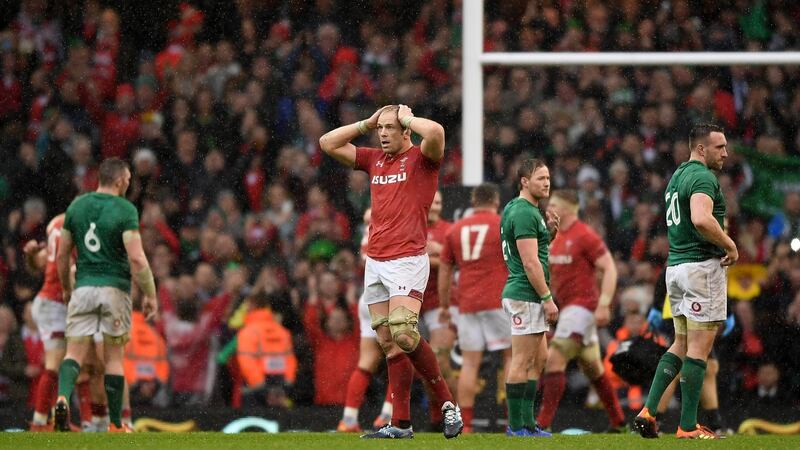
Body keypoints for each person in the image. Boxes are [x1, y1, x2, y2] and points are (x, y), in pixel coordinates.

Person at [319, 104, 462, 439]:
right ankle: (401, 424)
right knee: (388, 342)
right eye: (380, 129)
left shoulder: (423, 158)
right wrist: (365, 123)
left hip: (407, 259)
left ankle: (447, 404)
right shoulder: (374, 160)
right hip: (376, 262)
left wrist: (408, 118)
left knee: (404, 332)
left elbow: (438, 132)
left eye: (389, 128)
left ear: (405, 131)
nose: (382, 134)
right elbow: (327, 143)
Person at [633, 123, 737, 440]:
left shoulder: (677, 176)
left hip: (675, 269)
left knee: (680, 343)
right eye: (720, 147)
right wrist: (730, 244)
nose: (726, 153)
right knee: (699, 350)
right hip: (701, 269)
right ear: (701, 149)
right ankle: (688, 426)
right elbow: (701, 218)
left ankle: (649, 411)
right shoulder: (703, 177)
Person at [54, 158, 158, 432]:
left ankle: (62, 398)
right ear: (121, 180)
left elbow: (63, 254)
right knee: (113, 358)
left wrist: (66, 287)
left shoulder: (77, 206)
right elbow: (136, 258)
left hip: (84, 286)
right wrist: (150, 293)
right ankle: (115, 424)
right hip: (114, 288)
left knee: (73, 353)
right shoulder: (126, 209)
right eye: (128, 179)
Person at [536, 190, 626, 432]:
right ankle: (619, 422)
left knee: (554, 360)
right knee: (592, 367)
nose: (548, 207)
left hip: (582, 308)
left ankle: (542, 424)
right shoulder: (554, 236)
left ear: (564, 209)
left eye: (553, 204)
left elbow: (610, 268)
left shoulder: (584, 235)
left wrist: (605, 303)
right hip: (568, 309)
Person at [438, 182, 511, 433]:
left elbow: (446, 269)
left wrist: (445, 305)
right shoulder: (502, 224)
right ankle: (513, 420)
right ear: (496, 201)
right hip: (498, 300)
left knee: (469, 364)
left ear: (473, 201)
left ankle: (466, 424)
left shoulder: (456, 229)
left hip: (468, 302)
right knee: (509, 357)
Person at [499, 158, 560, 437]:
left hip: (527, 292)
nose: (546, 183)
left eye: (548, 178)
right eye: (540, 179)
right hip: (525, 293)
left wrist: (549, 235)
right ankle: (516, 426)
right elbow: (530, 262)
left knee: (539, 358)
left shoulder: (519, 207)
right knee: (522, 360)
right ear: (524, 182)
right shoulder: (524, 212)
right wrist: (547, 298)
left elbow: (534, 251)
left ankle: (528, 422)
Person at [338, 208, 395, 432]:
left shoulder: (367, 235)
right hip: (389, 299)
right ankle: (388, 415)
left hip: (368, 298)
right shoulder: (387, 232)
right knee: (399, 357)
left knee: (367, 361)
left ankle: (349, 419)